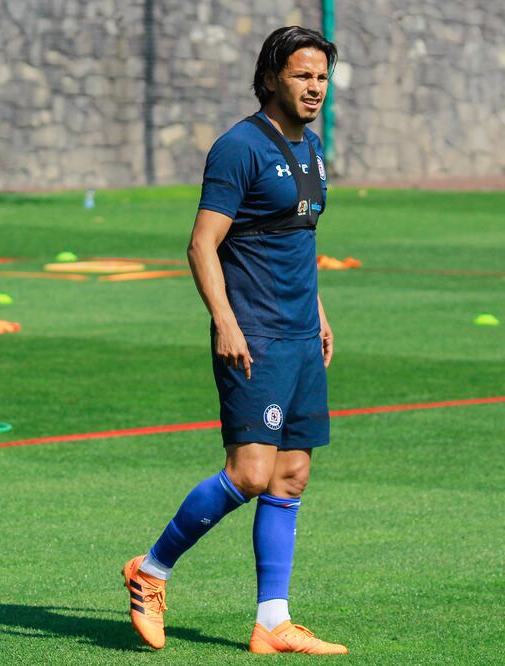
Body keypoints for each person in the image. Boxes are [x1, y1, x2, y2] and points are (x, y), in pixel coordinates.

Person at [122, 26, 346, 655]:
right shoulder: (238, 148)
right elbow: (201, 245)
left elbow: (296, 238)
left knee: (292, 475)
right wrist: (224, 321)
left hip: (302, 335)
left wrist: (320, 313)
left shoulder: (314, 147)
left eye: (322, 77)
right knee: (249, 473)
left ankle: (272, 622)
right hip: (256, 335)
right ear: (273, 75)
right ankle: (151, 570)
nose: (314, 88)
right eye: (303, 76)